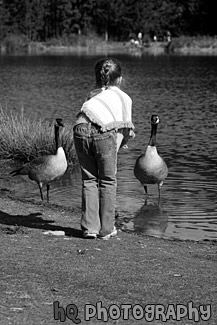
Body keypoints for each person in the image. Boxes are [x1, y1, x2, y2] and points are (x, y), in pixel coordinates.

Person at [73, 58, 135, 240]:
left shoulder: (92, 94)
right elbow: (123, 131)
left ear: (97, 78)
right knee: (108, 180)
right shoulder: (124, 98)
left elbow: (87, 116)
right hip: (102, 132)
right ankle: (106, 229)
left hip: (80, 128)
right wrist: (112, 158)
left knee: (89, 179)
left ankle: (90, 228)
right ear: (120, 79)